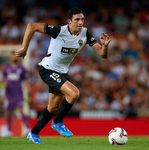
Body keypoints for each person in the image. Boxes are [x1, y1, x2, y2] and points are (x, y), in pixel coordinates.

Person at [15, 7, 111, 144]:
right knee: (74, 93)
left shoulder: (85, 34)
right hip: (47, 70)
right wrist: (24, 48)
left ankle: (33, 133)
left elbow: (102, 54)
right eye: (77, 19)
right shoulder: (59, 30)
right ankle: (58, 122)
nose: (80, 22)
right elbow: (31, 26)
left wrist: (105, 46)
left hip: (61, 73)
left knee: (53, 107)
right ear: (69, 21)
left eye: (82, 19)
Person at [0, 51, 30, 136]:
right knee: (9, 112)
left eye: (16, 56)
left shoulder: (22, 68)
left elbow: (27, 81)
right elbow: (3, 79)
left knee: (21, 110)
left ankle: (27, 129)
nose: (15, 57)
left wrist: (28, 93)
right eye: (14, 56)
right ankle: (9, 131)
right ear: (11, 57)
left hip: (18, 93)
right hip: (9, 94)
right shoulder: (6, 68)